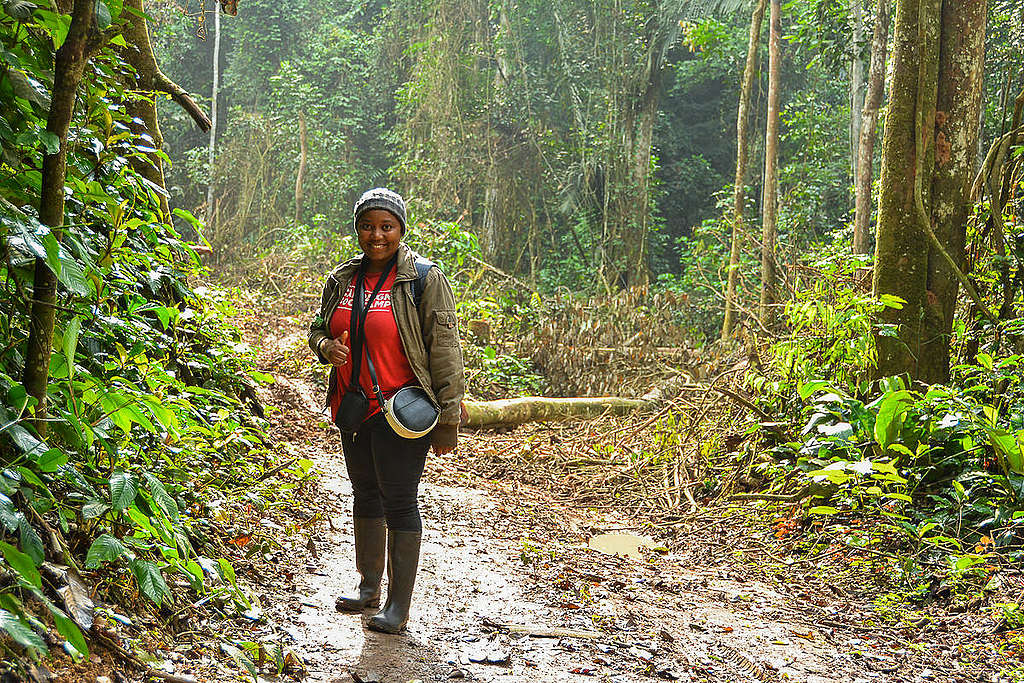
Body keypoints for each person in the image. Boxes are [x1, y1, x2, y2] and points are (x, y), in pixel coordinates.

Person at [308, 187, 464, 634]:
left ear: (400, 229)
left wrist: (448, 419)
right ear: (358, 229)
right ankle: (369, 586)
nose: (376, 235)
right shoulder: (342, 279)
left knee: (399, 501)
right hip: (353, 407)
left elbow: (445, 349)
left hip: (403, 409)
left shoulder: (422, 280)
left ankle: (398, 606)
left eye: (386, 226)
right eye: (368, 226)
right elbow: (319, 327)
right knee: (364, 494)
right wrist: (325, 346)